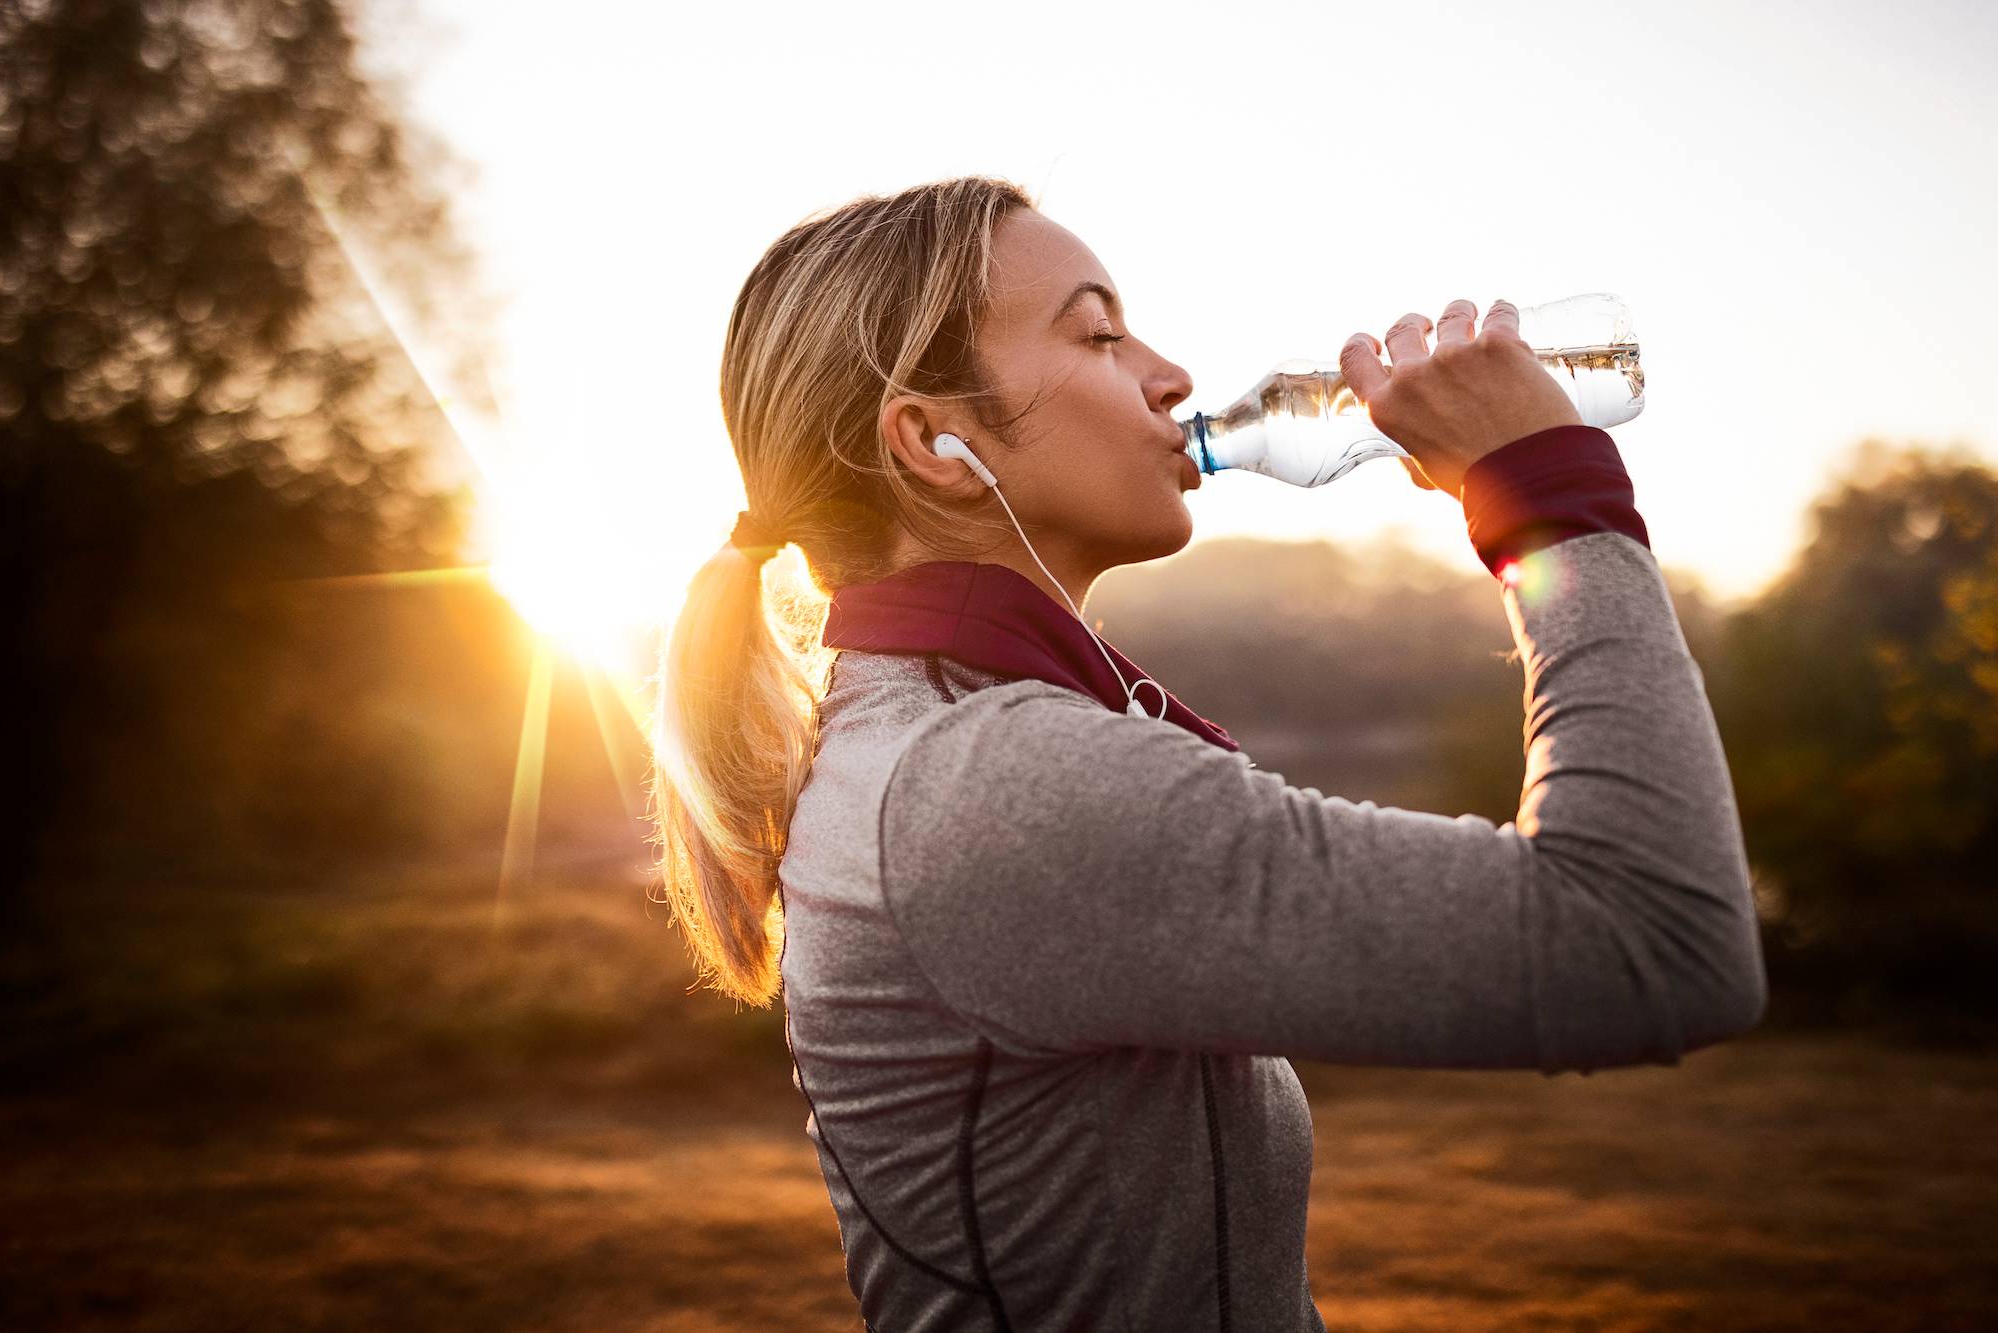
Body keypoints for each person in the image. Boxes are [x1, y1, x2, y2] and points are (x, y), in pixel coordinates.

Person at [649, 175, 1767, 1333]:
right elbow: (1652, 936)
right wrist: (1547, 492)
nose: (1168, 374)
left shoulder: (949, 736)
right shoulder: (990, 781)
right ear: (938, 441)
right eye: (1095, 331)